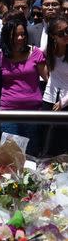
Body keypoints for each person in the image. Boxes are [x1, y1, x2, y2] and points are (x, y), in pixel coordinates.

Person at [0, 17, 47, 156]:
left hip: (33, 112)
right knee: (10, 156)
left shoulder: (36, 53)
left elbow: (48, 79)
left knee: (31, 155)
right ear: (7, 36)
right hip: (8, 112)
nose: (20, 38)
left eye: (23, 34)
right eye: (15, 35)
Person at [41, 16, 68, 155]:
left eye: (67, 30)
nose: (66, 35)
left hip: (64, 102)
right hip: (49, 98)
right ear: (52, 36)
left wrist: (63, 102)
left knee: (63, 142)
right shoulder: (49, 50)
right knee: (47, 141)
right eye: (61, 33)